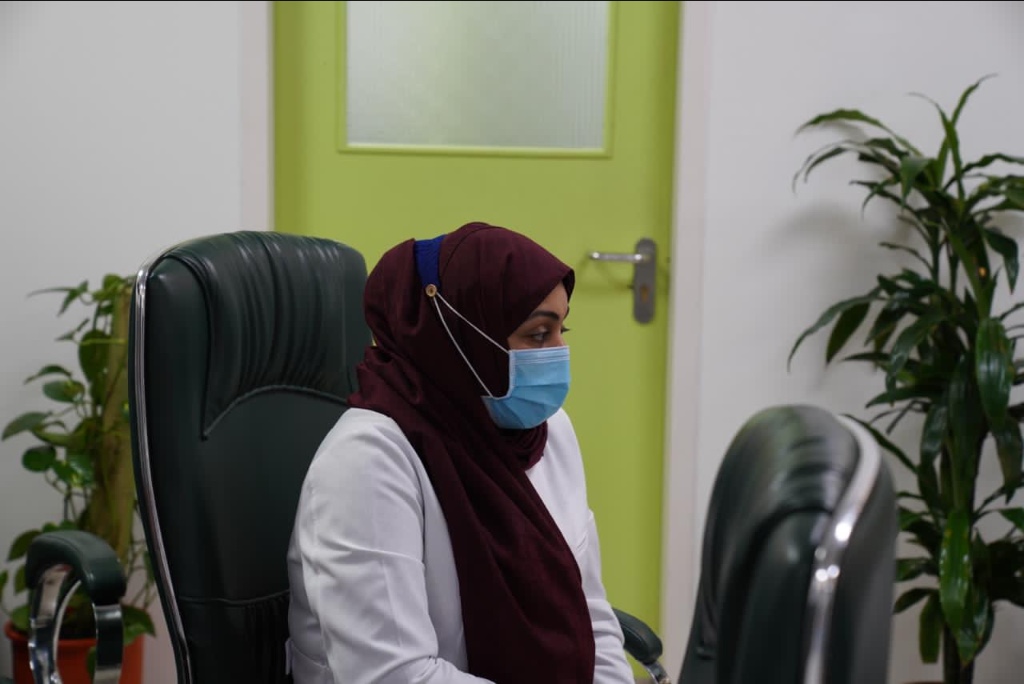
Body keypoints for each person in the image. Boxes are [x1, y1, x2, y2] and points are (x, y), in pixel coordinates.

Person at [286, 221, 634, 683]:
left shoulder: (548, 432)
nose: (560, 352)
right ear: (456, 337)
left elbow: (590, 616)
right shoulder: (368, 460)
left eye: (562, 329)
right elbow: (393, 675)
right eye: (537, 334)